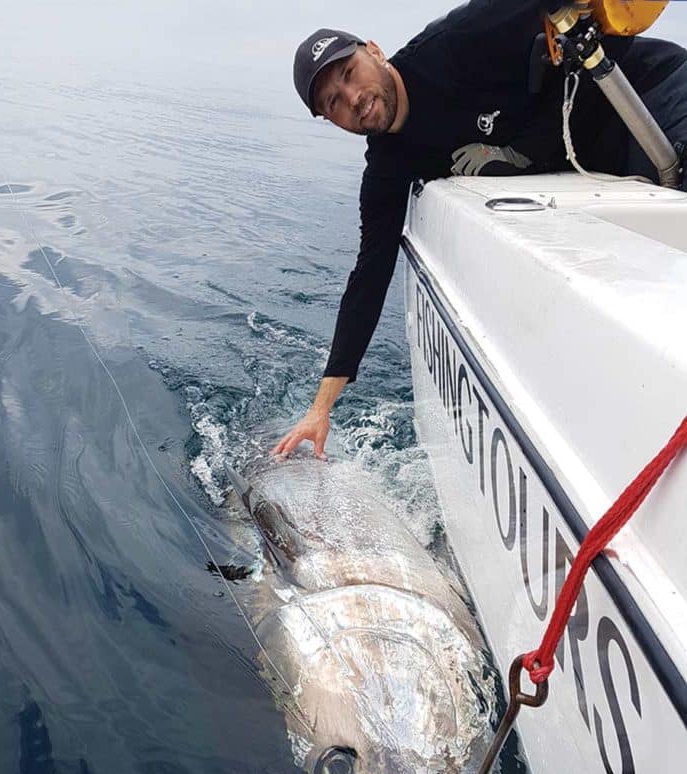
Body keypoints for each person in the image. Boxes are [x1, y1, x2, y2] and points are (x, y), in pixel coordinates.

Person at [273, 0, 687, 458]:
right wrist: (321, 408)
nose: (352, 98)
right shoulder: (389, 166)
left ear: (374, 51)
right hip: (604, 165)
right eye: (333, 102)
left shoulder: (456, 42)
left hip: (648, 96)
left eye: (349, 73)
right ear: (329, 120)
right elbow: (369, 275)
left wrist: (518, 152)